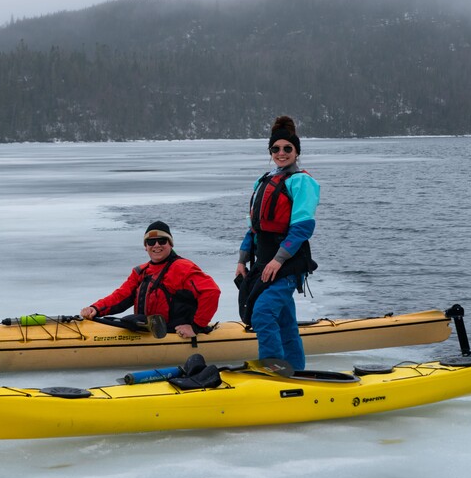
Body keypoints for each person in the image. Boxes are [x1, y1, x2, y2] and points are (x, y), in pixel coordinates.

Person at [235, 115, 320, 370]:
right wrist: (242, 260)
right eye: (276, 149)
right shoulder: (264, 181)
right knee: (284, 321)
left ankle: (273, 372)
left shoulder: (302, 181)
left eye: (287, 149)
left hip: (287, 264)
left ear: (296, 152)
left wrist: (278, 260)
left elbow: (303, 227)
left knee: (262, 314)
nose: (281, 153)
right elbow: (254, 229)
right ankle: (295, 371)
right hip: (263, 263)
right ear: (270, 151)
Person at [80, 221, 221, 339]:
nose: (156, 245)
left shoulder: (182, 268)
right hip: (149, 330)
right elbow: (121, 296)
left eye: (162, 241)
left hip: (176, 332)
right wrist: (96, 308)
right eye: (151, 242)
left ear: (171, 244)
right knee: (131, 321)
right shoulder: (141, 271)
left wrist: (195, 327)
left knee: (133, 320)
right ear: (145, 247)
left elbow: (211, 292)